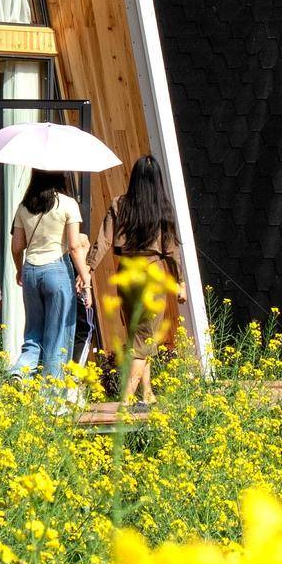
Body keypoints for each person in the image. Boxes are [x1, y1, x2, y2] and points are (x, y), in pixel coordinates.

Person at [87, 153, 186, 407]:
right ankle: (128, 398)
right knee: (145, 336)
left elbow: (104, 239)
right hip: (151, 274)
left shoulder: (120, 204)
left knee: (139, 336)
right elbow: (172, 251)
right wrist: (180, 282)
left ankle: (147, 394)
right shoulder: (162, 209)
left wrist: (88, 268)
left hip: (126, 274)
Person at [10, 169, 90, 384]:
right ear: (59, 176)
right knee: (57, 336)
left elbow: (17, 246)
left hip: (31, 271)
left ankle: (19, 371)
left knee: (33, 332)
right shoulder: (68, 204)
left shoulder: (24, 206)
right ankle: (51, 396)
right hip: (57, 269)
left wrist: (20, 269)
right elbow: (74, 246)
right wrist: (85, 277)